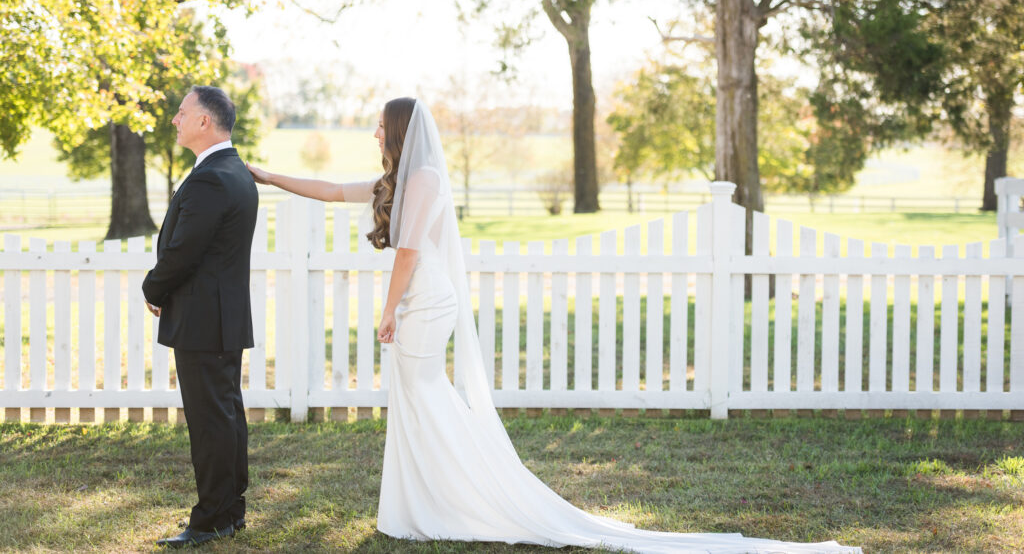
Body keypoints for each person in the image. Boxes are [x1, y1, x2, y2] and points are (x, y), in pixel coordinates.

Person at [248, 97, 861, 554]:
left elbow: (408, 250)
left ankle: (461, 498)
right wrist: (271, 177)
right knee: (415, 398)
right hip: (418, 300)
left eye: (382, 125)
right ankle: (423, 502)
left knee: (425, 395)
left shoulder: (425, 179)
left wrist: (388, 310)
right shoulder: (398, 180)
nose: (374, 132)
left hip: (424, 301)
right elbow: (332, 190)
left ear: (401, 129)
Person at [143, 86, 259, 549]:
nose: (175, 119)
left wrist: (153, 287)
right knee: (225, 416)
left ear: (205, 121)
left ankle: (212, 518)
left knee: (211, 422)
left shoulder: (212, 178)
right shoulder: (233, 170)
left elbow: (183, 250)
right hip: (221, 318)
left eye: (182, 112)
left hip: (204, 319)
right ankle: (229, 511)